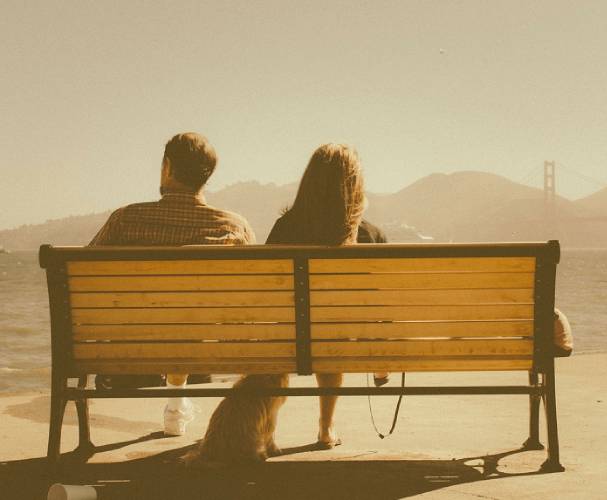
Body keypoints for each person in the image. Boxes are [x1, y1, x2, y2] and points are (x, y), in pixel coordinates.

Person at [89, 132, 255, 435]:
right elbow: (254, 297)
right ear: (207, 176)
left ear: (167, 166)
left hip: (131, 355)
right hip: (204, 354)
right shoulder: (234, 227)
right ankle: (179, 396)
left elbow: (85, 282)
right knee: (192, 334)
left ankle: (175, 397)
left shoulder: (126, 220)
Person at [266, 143, 387, 449]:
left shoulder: (285, 228)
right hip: (340, 337)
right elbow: (381, 302)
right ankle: (326, 427)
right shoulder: (369, 235)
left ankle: (267, 432)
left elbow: (269, 291)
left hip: (287, 336)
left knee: (304, 330)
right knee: (332, 335)